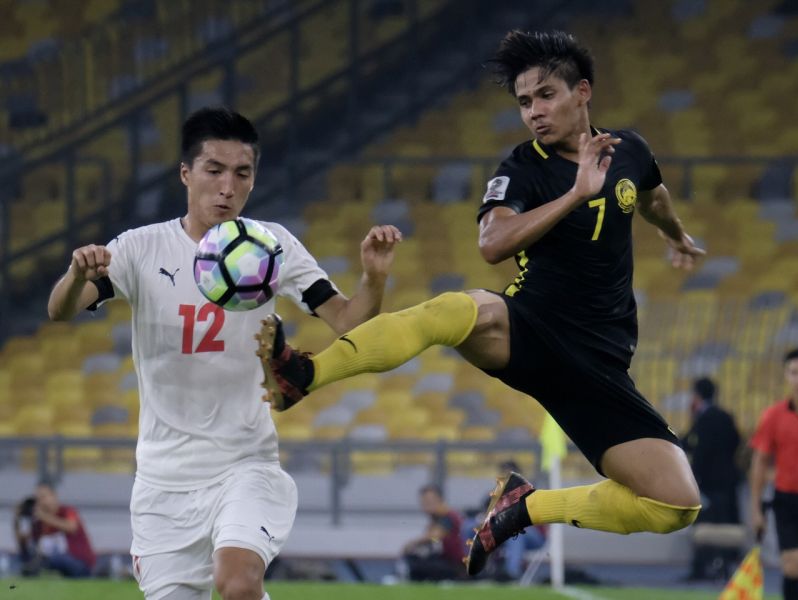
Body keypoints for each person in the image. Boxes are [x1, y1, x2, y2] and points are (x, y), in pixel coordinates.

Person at [257, 29, 706, 577]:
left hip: (599, 363)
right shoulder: (522, 167)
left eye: (546, 95)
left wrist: (675, 235)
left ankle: (523, 507)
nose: (534, 112)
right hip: (531, 326)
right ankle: (304, 374)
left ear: (583, 91)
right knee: (457, 310)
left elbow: (653, 197)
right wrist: (575, 195)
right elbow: (492, 244)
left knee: (675, 505)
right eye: (524, 102)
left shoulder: (629, 149)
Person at [47, 107, 402, 600]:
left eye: (242, 173)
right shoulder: (141, 248)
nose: (227, 188)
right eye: (214, 171)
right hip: (162, 484)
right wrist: (76, 276)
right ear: (186, 173)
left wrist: (374, 279)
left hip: (244, 465)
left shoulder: (271, 246)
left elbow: (347, 321)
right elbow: (61, 309)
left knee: (237, 584)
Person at [750, 348, 798, 600]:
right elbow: (760, 462)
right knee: (792, 565)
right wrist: (756, 509)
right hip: (787, 500)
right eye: (794, 372)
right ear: (786, 376)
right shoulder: (773, 416)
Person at [681, 377, 742, 580]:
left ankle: (702, 568)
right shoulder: (725, 416)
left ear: (697, 395)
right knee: (725, 524)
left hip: (708, 482)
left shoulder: (703, 418)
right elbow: (736, 441)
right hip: (728, 481)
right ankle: (724, 567)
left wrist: (694, 476)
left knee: (705, 524)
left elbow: (698, 449)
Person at [400, 484, 465, 581]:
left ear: (440, 500)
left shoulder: (448, 516)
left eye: (430, 501)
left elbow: (435, 536)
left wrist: (412, 543)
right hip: (447, 560)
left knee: (417, 565)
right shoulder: (436, 519)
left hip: (457, 565)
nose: (426, 505)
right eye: (424, 502)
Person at [31, 481, 96, 578]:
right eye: (38, 499)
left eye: (44, 497)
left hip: (80, 562)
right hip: (58, 561)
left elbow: (71, 527)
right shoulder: (40, 522)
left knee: (53, 559)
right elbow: (31, 542)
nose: (42, 502)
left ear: (54, 496)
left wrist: (45, 517)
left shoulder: (67, 511)